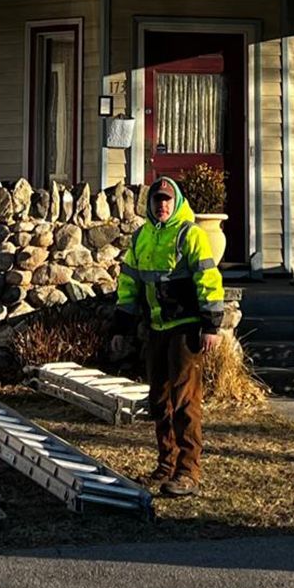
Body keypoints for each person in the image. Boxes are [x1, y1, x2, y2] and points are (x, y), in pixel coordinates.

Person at [112, 175, 224, 497]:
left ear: (176, 204)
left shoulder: (191, 235)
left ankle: (188, 471)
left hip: (186, 329)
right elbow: (129, 285)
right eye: (157, 200)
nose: (162, 205)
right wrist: (121, 327)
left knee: (185, 401)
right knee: (159, 400)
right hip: (156, 329)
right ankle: (166, 464)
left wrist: (211, 325)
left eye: (167, 200)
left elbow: (208, 278)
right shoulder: (141, 237)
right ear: (149, 204)